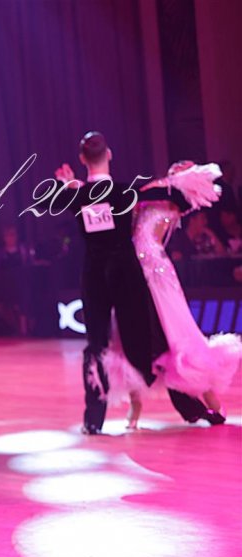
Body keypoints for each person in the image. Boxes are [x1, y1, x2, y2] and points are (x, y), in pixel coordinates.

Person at [53, 132, 212, 434]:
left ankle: (93, 419)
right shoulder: (125, 191)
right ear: (109, 154)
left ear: (82, 159)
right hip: (126, 272)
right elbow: (176, 198)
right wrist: (177, 179)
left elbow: (57, 200)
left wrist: (70, 185)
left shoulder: (77, 195)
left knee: (97, 344)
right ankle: (190, 408)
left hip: (94, 275)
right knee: (153, 340)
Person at [102, 162, 239, 427]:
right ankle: (136, 408)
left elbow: (158, 193)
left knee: (177, 333)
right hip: (135, 270)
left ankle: (211, 402)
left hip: (156, 270)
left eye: (180, 170)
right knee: (131, 334)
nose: (174, 171)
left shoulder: (171, 201)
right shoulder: (150, 198)